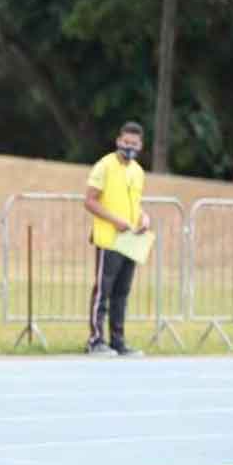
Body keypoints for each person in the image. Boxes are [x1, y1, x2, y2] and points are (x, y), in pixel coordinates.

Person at [83, 121, 151, 357]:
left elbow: (135, 203)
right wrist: (115, 221)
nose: (129, 147)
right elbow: (90, 200)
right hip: (109, 238)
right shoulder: (105, 165)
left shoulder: (138, 172)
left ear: (141, 145)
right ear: (118, 141)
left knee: (122, 292)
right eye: (126, 142)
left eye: (134, 143)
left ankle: (118, 340)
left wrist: (143, 218)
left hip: (130, 241)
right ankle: (95, 340)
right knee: (103, 290)